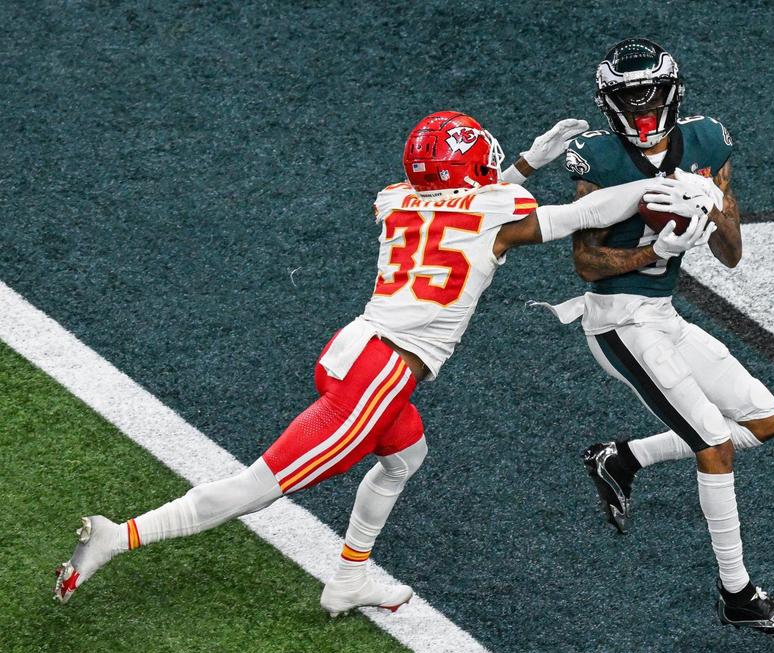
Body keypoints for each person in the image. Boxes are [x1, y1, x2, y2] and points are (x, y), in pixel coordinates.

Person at [53, 111, 692, 616]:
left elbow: (464, 207)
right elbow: (576, 215)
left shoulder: (393, 199)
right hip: (381, 376)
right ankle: (121, 535)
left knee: (405, 456)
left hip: (354, 352)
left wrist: (527, 161)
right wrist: (654, 188)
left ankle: (349, 579)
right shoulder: (488, 210)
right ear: (469, 173)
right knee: (257, 489)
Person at [535, 38, 774, 638]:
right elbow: (586, 263)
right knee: (713, 444)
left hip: (662, 317)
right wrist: (656, 248)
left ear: (671, 93)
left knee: (764, 421)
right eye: (627, 98)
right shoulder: (598, 159)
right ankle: (738, 595)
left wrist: (713, 206)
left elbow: (732, 255)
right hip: (615, 321)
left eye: (649, 95)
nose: (640, 108)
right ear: (609, 104)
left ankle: (621, 457)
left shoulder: (707, 142)